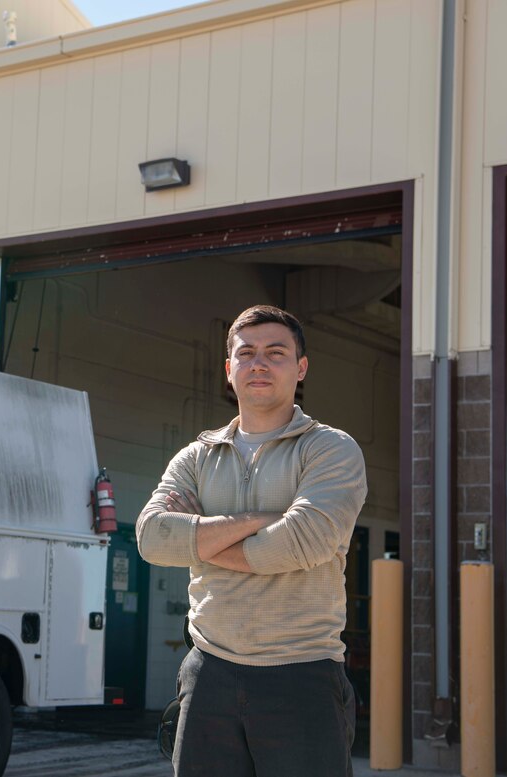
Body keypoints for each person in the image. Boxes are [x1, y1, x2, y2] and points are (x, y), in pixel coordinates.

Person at [136, 304, 367, 777]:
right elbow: (153, 538)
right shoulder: (197, 458)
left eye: (276, 352)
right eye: (247, 353)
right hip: (208, 674)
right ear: (229, 369)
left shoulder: (329, 449)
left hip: (302, 674)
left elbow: (303, 541)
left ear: (301, 368)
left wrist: (199, 541)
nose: (259, 363)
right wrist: (264, 519)